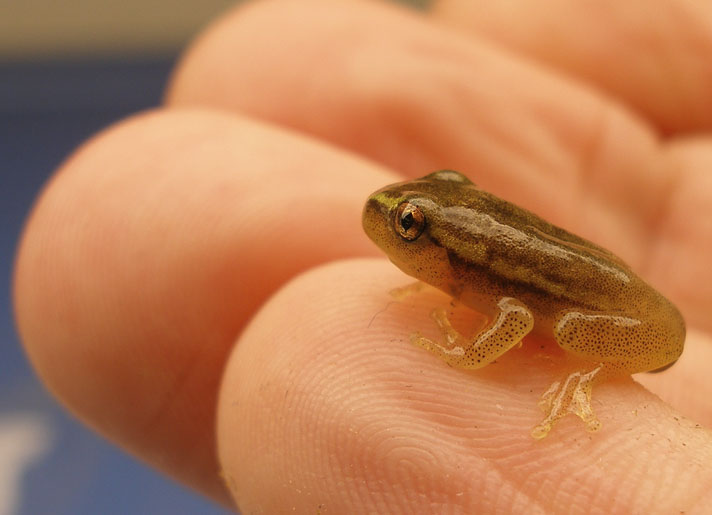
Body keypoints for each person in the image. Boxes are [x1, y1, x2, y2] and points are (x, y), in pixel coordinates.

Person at [13, 0, 712, 512]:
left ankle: (590, 365)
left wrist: (467, 357)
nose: (391, 219)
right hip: (619, 286)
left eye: (410, 223)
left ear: (450, 250)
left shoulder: (487, 278)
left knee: (562, 330)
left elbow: (512, 316)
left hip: (636, 327)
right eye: (420, 210)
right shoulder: (466, 265)